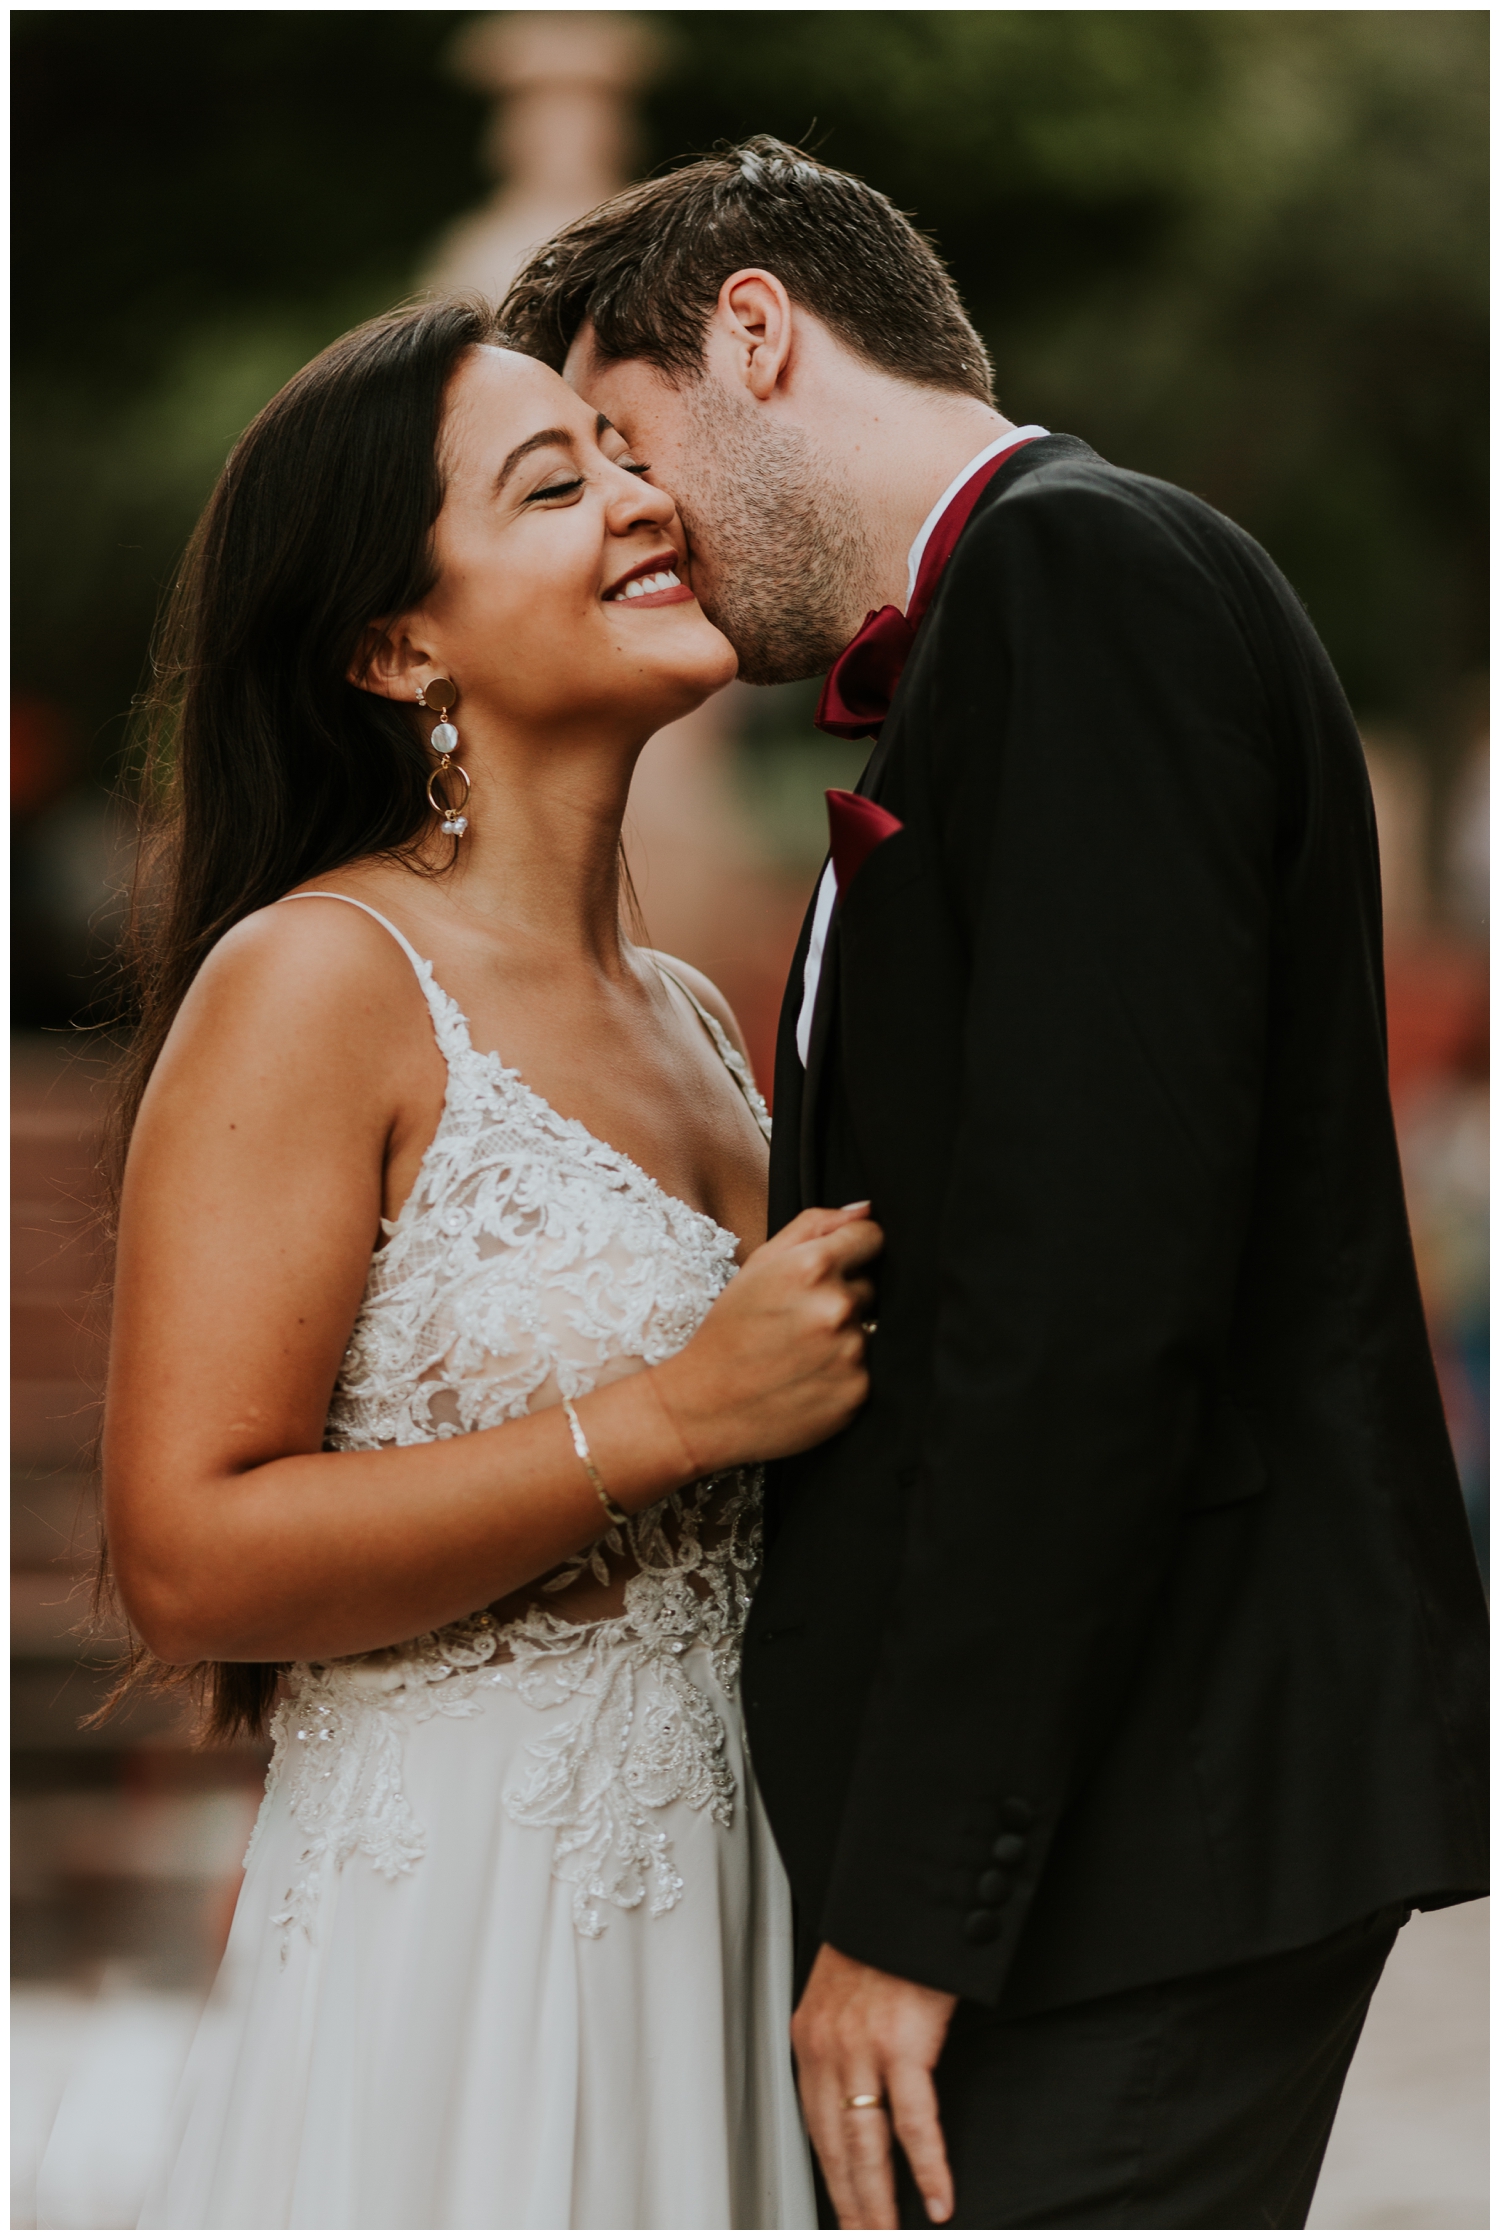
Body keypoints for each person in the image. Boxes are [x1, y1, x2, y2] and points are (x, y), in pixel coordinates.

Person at [501, 138, 1490, 2230]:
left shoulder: (1079, 580)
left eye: (623, 433)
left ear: (756, 329)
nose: (636, 517)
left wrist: (921, 1909)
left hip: (1132, 1839)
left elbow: (1088, 1297)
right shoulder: (1018, 617)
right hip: (1119, 1825)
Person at [102, 297, 885, 2228]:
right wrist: (679, 1413)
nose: (642, 501)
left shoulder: (704, 1016)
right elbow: (190, 1556)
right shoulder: (315, 984)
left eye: (630, 457)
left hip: (736, 1916)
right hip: (471, 1941)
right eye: (558, 481)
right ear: (396, 644)